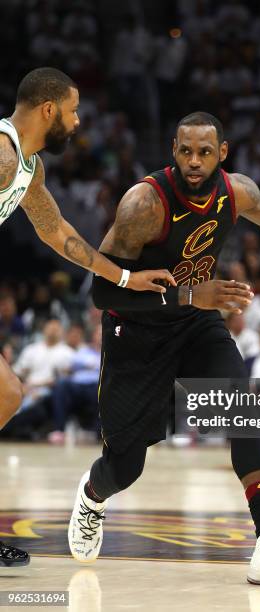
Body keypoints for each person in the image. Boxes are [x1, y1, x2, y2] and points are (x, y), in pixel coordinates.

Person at [68, 112, 260, 588]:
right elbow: (103, 294)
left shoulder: (235, 193)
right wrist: (192, 294)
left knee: (242, 405)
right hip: (134, 333)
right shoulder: (144, 204)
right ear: (174, 150)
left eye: (205, 152)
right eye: (187, 151)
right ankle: (92, 497)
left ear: (222, 153)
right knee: (124, 466)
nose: (195, 162)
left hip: (195, 322)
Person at [0, 67, 176, 569]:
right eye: (73, 111)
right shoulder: (3, 155)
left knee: (8, 394)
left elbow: (57, 232)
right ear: (49, 109)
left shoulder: (28, 167)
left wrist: (124, 278)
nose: (78, 122)